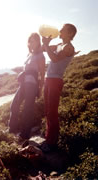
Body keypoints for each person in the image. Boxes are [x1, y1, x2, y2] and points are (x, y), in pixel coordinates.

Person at [40, 23, 77, 152]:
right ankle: (48, 138)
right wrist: (45, 40)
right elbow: (42, 49)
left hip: (56, 80)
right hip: (48, 79)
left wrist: (46, 45)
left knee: (52, 112)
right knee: (47, 111)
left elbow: (55, 59)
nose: (59, 31)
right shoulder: (59, 45)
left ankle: (52, 143)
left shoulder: (69, 47)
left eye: (63, 30)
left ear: (70, 33)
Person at [9, 33, 45, 141]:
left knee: (27, 110)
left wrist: (40, 89)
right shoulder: (29, 54)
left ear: (39, 42)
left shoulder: (41, 56)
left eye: (35, 40)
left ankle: (25, 135)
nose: (32, 43)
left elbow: (42, 75)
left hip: (32, 84)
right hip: (24, 83)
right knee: (14, 105)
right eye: (31, 41)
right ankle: (12, 130)